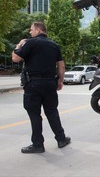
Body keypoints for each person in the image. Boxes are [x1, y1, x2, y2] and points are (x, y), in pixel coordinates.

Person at [12, 22, 70, 153]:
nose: (30, 32)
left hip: (33, 84)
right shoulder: (55, 45)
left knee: (34, 114)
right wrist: (60, 81)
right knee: (52, 112)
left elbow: (15, 58)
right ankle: (61, 139)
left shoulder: (31, 43)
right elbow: (61, 66)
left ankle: (38, 144)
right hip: (50, 83)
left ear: (38, 30)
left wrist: (19, 44)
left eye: (31, 30)